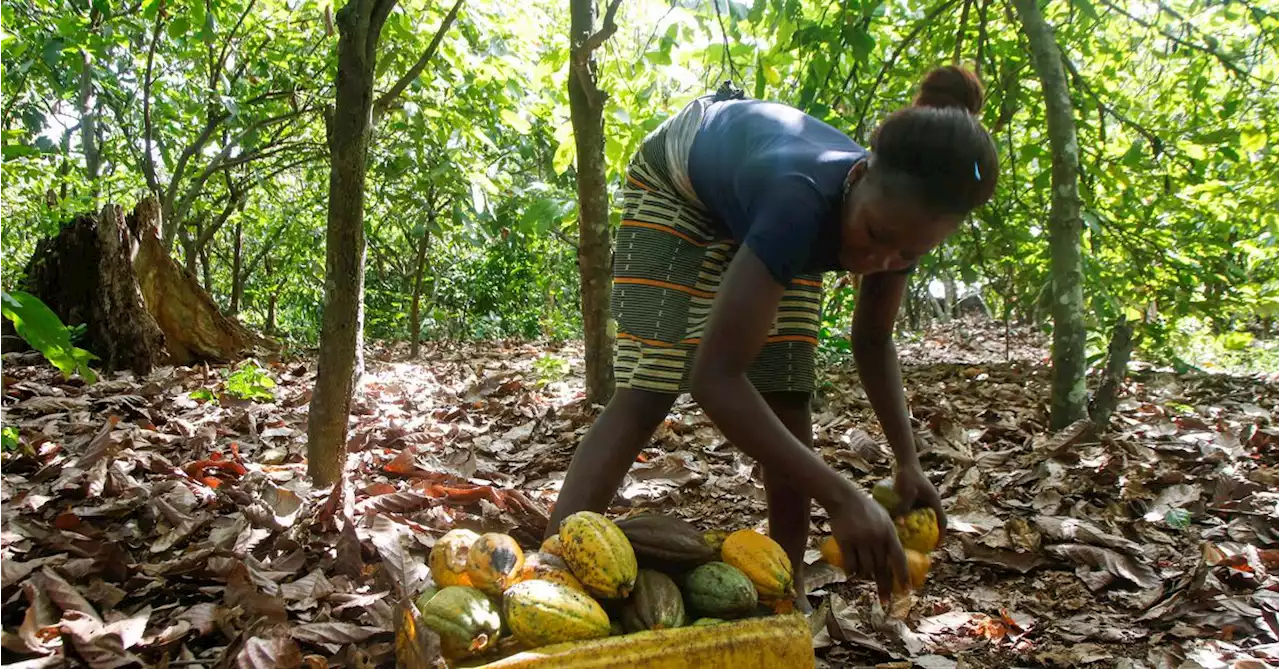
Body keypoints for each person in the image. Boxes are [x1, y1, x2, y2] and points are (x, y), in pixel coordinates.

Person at [546, 66, 999, 603]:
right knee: (652, 384)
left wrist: (908, 462)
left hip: (779, 210)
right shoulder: (798, 203)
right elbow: (715, 378)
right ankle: (554, 563)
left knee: (786, 388)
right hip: (678, 180)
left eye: (908, 254)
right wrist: (840, 495)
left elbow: (873, 340)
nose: (880, 261)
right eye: (876, 235)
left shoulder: (899, 222)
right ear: (859, 178)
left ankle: (784, 588)